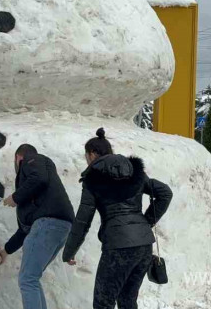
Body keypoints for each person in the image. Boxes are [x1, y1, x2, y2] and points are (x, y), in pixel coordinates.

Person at [62, 128, 173, 309]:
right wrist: (145, 223)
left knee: (103, 302)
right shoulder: (133, 171)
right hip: (144, 246)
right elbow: (165, 193)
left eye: (86, 156)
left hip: (118, 247)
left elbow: (83, 220)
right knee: (127, 301)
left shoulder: (93, 178)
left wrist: (69, 251)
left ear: (92, 154)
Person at [2, 144, 75, 309]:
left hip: (47, 224)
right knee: (32, 278)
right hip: (60, 226)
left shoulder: (32, 160)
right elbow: (25, 230)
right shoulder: (41, 196)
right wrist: (6, 250)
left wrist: (15, 197)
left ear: (18, 158)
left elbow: (39, 178)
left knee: (27, 279)